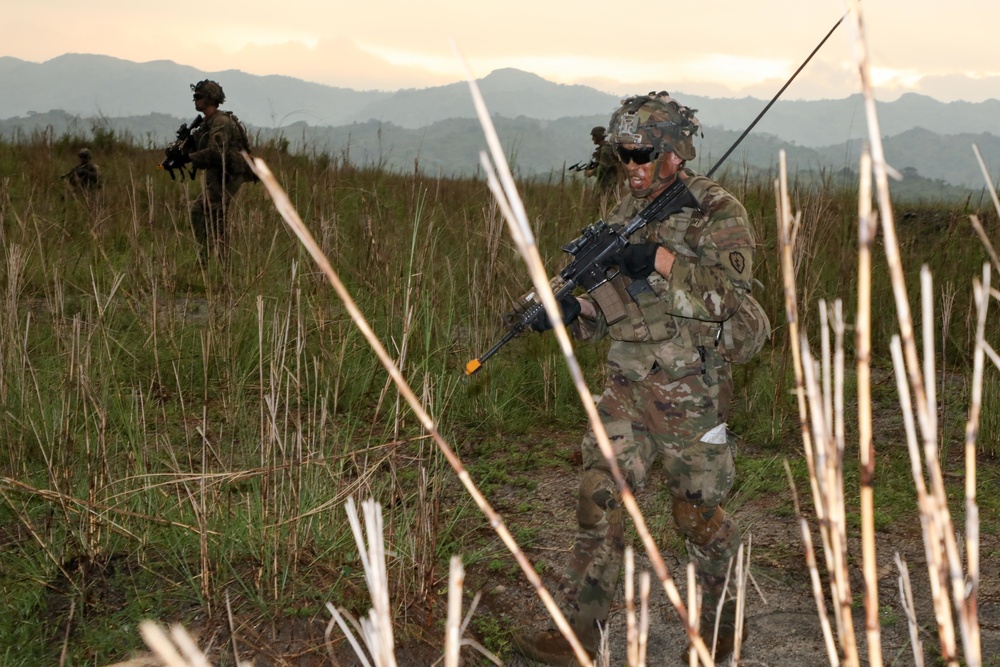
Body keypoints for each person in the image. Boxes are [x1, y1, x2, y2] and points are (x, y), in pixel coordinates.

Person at [513, 92, 755, 665]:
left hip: (692, 393)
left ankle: (722, 627)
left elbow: (733, 305)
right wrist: (575, 313)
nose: (631, 166)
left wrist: (662, 259)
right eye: (622, 155)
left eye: (641, 153)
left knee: (693, 516)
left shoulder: (718, 212)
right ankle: (577, 638)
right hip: (626, 386)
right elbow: (615, 311)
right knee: (598, 500)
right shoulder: (621, 216)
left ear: (675, 151)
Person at [185, 79, 251, 262]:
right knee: (211, 215)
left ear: (210, 98)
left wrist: (189, 158)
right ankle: (215, 261)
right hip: (220, 174)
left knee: (206, 212)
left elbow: (216, 153)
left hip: (228, 175)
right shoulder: (208, 122)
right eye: (195, 96)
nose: (195, 99)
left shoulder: (221, 122)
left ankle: (210, 260)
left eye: (199, 96)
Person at [583, 126, 620, 195]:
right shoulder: (604, 148)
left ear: (598, 136)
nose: (592, 139)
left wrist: (591, 172)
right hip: (605, 183)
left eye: (594, 136)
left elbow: (604, 167)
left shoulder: (605, 149)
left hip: (608, 184)